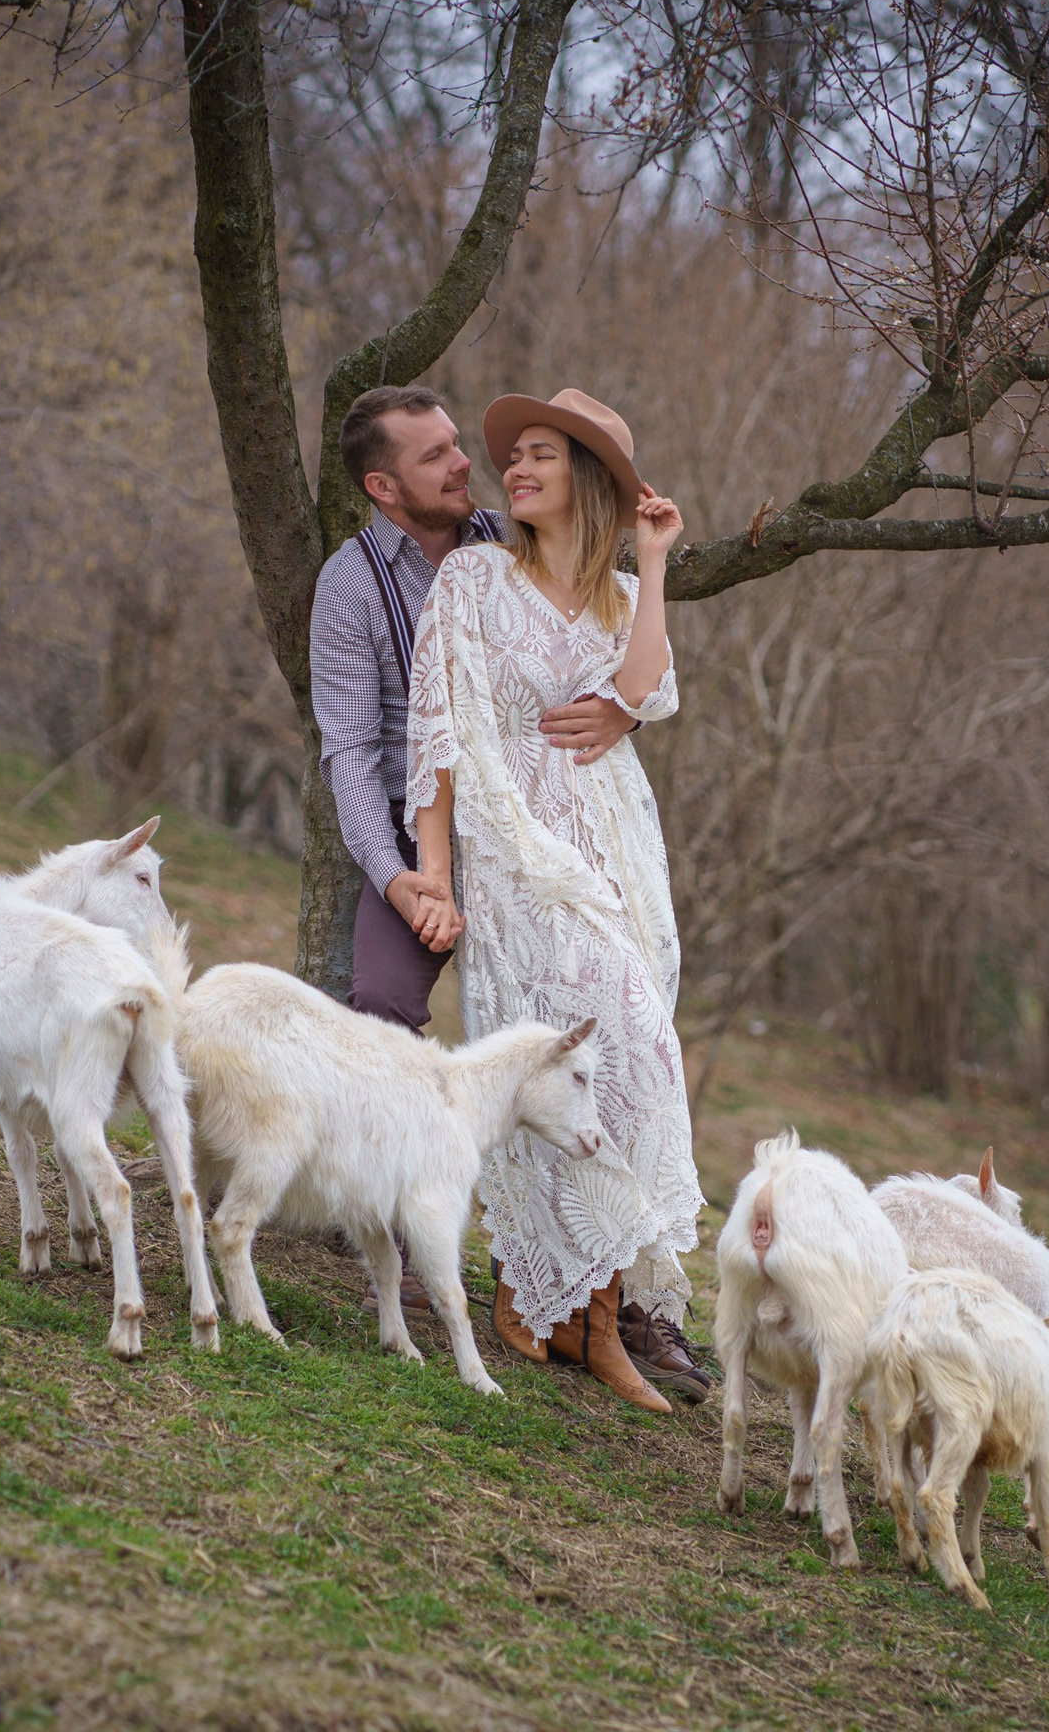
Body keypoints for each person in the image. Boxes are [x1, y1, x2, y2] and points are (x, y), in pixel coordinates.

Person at [405, 388, 710, 1410]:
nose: (515, 470)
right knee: (570, 1046)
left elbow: (643, 691)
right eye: (514, 455)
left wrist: (656, 562)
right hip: (518, 846)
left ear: (585, 480)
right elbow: (439, 732)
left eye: (540, 455)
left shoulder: (625, 594)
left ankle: (589, 1313)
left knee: (630, 1053)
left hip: (615, 848)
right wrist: (436, 867)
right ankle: (524, 1279)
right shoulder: (474, 577)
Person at [309, 385, 638, 1321]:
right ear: (383, 485)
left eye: (459, 444)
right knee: (379, 1003)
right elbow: (350, 750)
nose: (466, 465)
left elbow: (616, 606)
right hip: (423, 834)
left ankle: (609, 1289)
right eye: (435, 457)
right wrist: (400, 876)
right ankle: (399, 1229)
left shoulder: (516, 537)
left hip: (532, 832)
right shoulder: (349, 588)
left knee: (606, 1016)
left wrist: (625, 704)